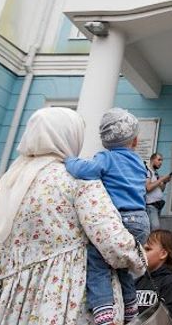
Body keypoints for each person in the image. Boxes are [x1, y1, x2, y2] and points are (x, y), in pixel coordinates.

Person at [0, 107, 146, 325]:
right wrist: (140, 260)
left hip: (11, 300)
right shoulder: (77, 179)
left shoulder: (11, 181)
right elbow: (114, 244)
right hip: (64, 296)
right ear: (69, 136)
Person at [65, 108, 149, 325]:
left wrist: (69, 161)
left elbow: (85, 171)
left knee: (98, 262)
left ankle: (104, 314)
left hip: (119, 220)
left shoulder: (106, 158)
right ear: (135, 141)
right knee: (124, 267)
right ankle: (131, 309)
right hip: (141, 220)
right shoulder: (138, 162)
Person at [136, 229, 172, 324]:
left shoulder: (169, 282)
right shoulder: (139, 281)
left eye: (148, 249)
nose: (142, 253)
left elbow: (168, 317)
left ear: (163, 254)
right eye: (142, 249)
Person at [145, 152, 172, 230]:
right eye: (159, 160)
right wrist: (161, 179)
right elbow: (148, 188)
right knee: (155, 228)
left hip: (158, 205)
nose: (161, 162)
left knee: (154, 228)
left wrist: (165, 182)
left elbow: (161, 190)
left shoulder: (156, 173)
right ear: (152, 160)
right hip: (151, 205)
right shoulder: (148, 171)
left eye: (162, 160)